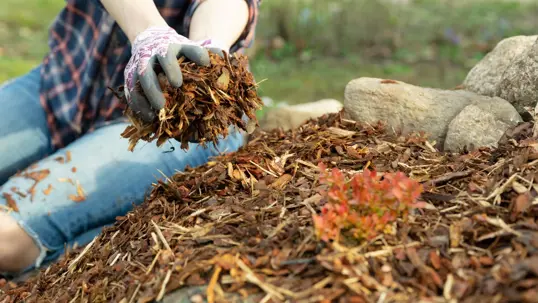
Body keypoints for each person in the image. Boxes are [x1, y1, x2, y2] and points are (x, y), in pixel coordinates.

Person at [0, 0, 260, 277]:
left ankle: (70, 257)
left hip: (166, 125)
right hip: (64, 83)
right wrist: (151, 34)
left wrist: (210, 45)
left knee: (6, 238)